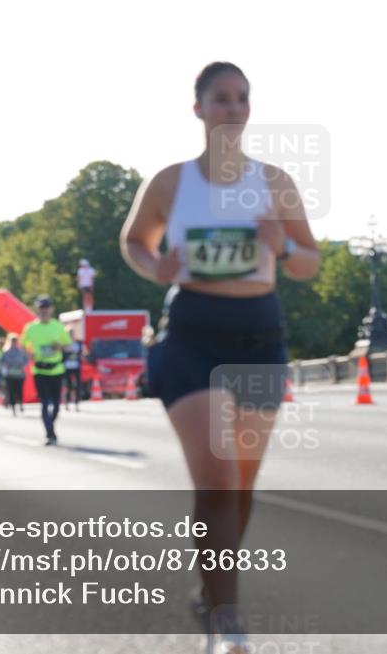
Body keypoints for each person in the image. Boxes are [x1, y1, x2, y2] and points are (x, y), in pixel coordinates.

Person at [120, 62, 320, 654]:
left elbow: (309, 262)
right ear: (199, 109)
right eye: (221, 99)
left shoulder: (275, 182)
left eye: (242, 99)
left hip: (258, 337)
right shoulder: (171, 182)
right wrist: (155, 265)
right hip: (191, 337)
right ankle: (226, 621)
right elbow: (134, 240)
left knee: (241, 485)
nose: (233, 109)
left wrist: (284, 245)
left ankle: (212, 592)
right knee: (218, 477)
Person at [21, 294, 71, 445]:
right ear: (37, 310)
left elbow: (68, 345)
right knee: (44, 403)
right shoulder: (31, 328)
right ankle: (50, 434)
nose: (44, 311)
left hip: (56, 370)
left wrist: (59, 346)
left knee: (56, 405)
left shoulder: (58, 326)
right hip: (39, 371)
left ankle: (51, 428)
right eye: (41, 308)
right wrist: (29, 354)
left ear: (51, 309)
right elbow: (23, 344)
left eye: (46, 308)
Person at [0, 333, 28, 415]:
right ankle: (13, 407)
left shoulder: (21, 351)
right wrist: (5, 368)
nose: (14, 343)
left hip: (19, 374)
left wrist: (22, 365)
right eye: (12, 341)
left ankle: (20, 403)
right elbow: (2, 362)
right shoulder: (6, 352)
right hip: (10, 375)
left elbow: (26, 360)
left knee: (19, 390)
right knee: (11, 391)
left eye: (15, 341)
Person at [63, 334, 83, 412]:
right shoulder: (65, 344)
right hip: (67, 368)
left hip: (76, 368)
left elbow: (81, 353)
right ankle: (67, 403)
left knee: (77, 386)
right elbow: (63, 354)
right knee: (68, 386)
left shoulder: (78, 343)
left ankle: (77, 404)